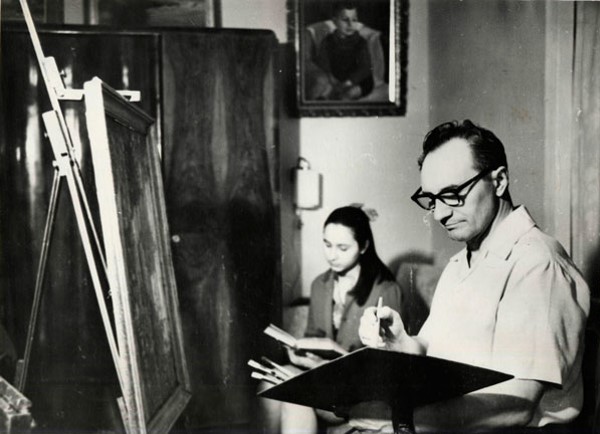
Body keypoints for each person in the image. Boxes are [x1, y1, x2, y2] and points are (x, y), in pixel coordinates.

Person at [355, 120, 590, 433]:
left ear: (499, 181)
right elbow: (437, 355)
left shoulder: (536, 264)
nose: (439, 214)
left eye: (452, 194)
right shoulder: (460, 264)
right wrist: (402, 342)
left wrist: (399, 422)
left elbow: (517, 405)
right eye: (432, 199)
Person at [260, 205, 402, 433]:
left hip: (358, 392)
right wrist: (304, 354)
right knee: (269, 381)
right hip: (322, 379)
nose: (331, 255)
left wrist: (332, 360)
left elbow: (389, 366)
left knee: (292, 396)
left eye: (342, 248)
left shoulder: (386, 291)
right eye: (327, 244)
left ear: (364, 246)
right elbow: (313, 337)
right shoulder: (320, 284)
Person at [306, 2, 374, 101]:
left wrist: (348, 82)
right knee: (325, 92)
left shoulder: (360, 42)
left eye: (354, 20)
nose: (350, 24)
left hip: (359, 80)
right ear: (334, 21)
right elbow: (323, 63)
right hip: (336, 78)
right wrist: (331, 78)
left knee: (347, 95)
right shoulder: (328, 41)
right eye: (345, 20)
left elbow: (365, 68)